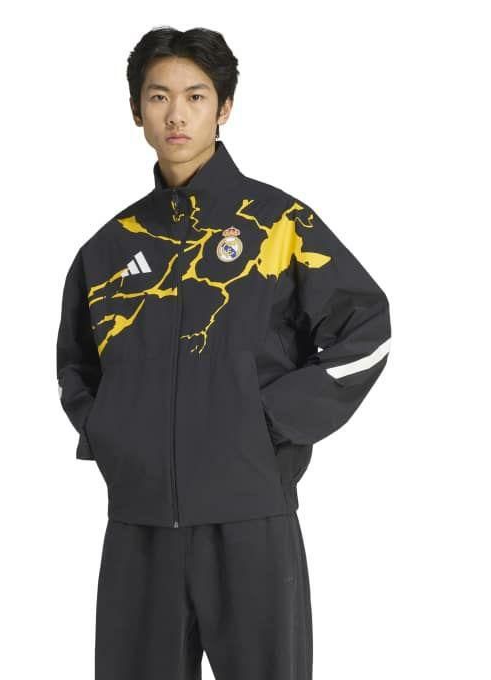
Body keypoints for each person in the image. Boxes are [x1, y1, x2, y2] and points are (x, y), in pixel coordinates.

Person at [56, 26, 391, 680]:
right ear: (137, 111)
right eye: (159, 97)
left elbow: (366, 330)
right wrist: (116, 436)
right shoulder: (107, 249)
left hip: (251, 520)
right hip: (139, 528)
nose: (176, 115)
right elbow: (77, 365)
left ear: (224, 108)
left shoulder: (279, 224)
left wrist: (267, 421)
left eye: (196, 96)